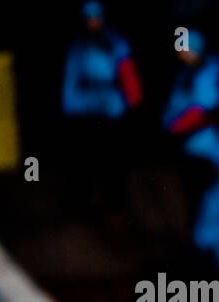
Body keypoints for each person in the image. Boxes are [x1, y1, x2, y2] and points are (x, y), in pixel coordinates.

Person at [162, 29, 219, 272]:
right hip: (191, 154)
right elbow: (170, 115)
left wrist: (211, 237)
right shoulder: (184, 78)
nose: (184, 56)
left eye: (187, 50)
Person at [61, 1, 142, 218]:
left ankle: (115, 202)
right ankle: (83, 203)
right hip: (86, 109)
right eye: (89, 19)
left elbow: (128, 75)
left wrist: (131, 104)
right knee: (86, 159)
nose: (94, 23)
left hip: (111, 108)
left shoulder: (116, 43)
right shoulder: (78, 46)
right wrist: (70, 107)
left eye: (97, 18)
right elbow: (71, 78)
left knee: (114, 159)